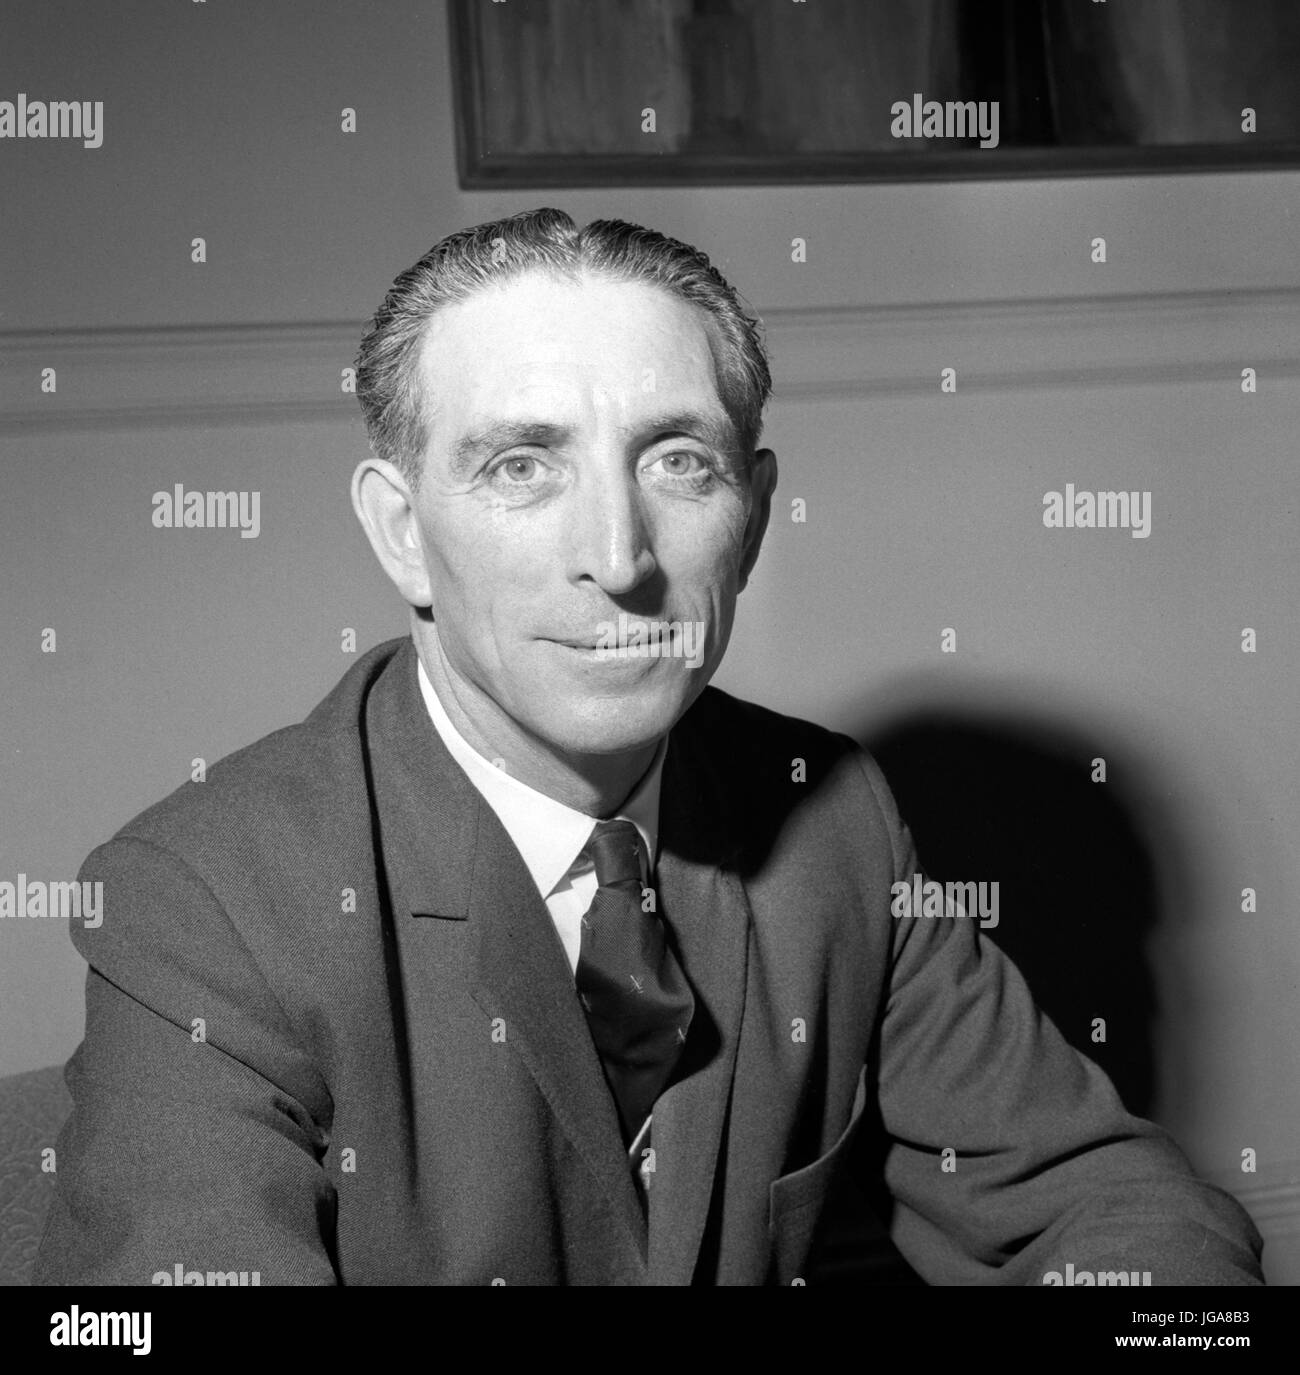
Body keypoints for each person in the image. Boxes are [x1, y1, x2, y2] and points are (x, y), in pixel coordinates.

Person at [34, 208, 1263, 1286]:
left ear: (755, 513)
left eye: (680, 462)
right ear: (402, 534)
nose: (619, 558)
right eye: (523, 466)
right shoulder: (205, 898)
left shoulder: (830, 815)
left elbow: (1099, 1197)